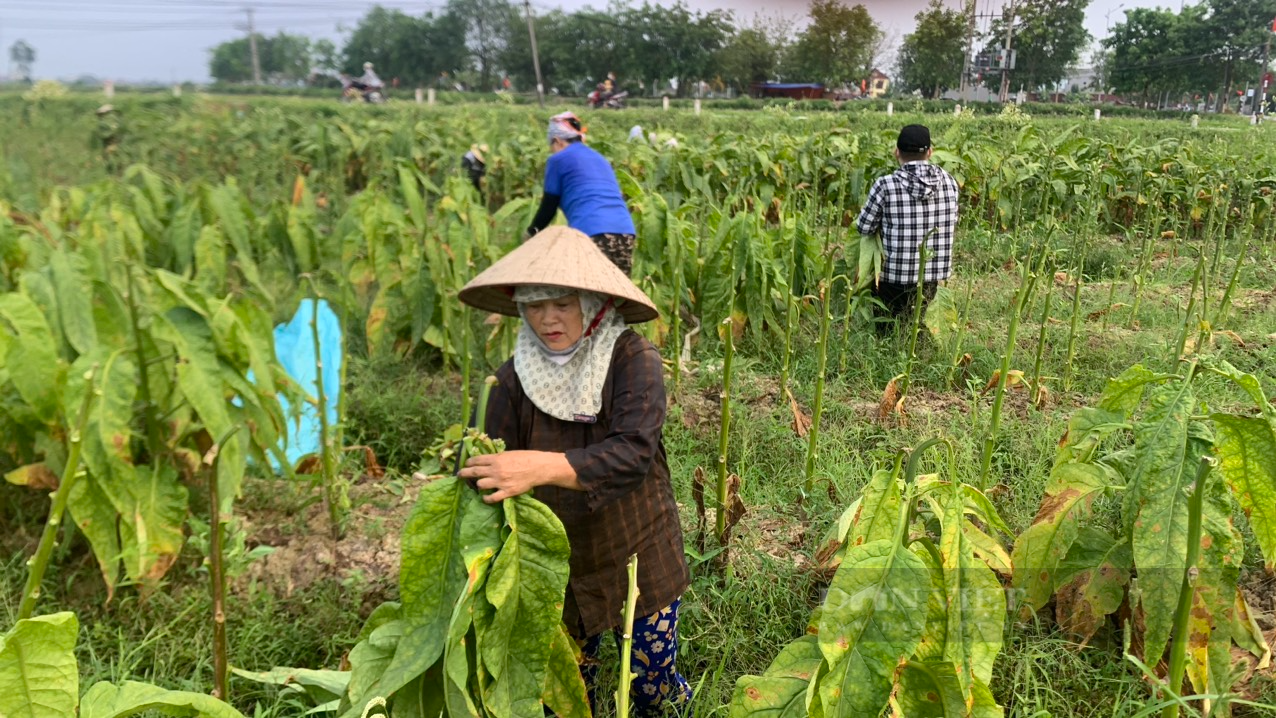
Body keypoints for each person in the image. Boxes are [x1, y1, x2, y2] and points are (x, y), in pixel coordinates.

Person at [457, 226, 692, 716]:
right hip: (555, 553)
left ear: (590, 301)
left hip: (635, 541)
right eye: (534, 306)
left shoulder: (632, 358)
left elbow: (633, 453)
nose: (547, 319)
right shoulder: (509, 378)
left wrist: (536, 466)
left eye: (561, 303)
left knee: (652, 682)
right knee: (566, 689)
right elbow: (490, 465)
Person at [854, 124, 958, 331]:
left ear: (896, 152)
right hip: (931, 276)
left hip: (892, 277)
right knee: (917, 324)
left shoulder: (886, 185)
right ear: (930, 152)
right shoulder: (950, 182)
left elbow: (864, 228)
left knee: (888, 328)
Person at [527, 112, 638, 274]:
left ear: (557, 141)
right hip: (625, 232)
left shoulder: (558, 160)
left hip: (591, 233)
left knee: (584, 290)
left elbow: (549, 205)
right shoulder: (600, 159)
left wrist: (531, 233)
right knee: (615, 295)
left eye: (551, 147)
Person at [94, 104, 123, 174]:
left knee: (114, 165)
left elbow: (112, 136)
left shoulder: (112, 123)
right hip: (111, 147)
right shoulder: (112, 122)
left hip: (115, 146)